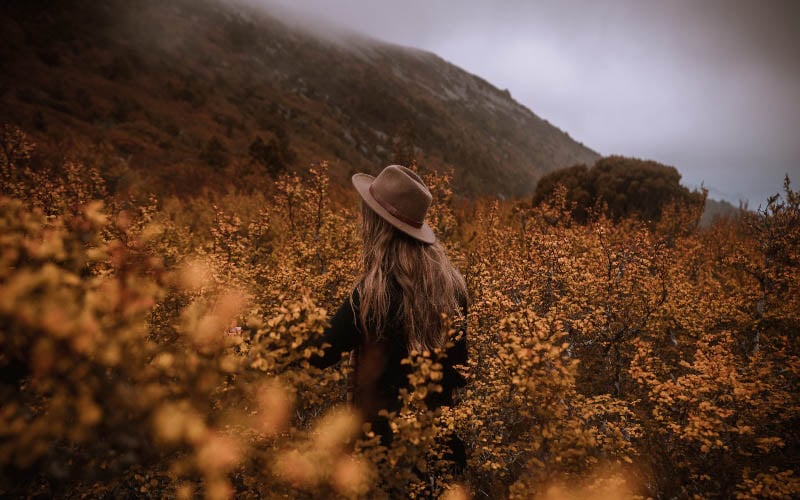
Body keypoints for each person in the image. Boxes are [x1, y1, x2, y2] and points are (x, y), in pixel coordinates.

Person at [308, 164, 469, 469]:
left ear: (377, 224)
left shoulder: (375, 293)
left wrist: (250, 337)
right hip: (440, 454)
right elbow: (460, 370)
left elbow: (318, 351)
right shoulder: (453, 287)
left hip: (382, 459)